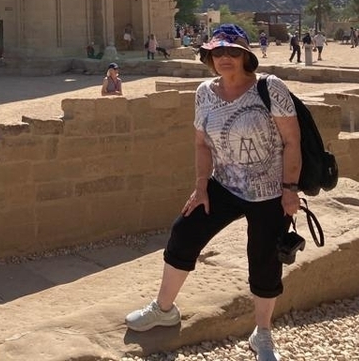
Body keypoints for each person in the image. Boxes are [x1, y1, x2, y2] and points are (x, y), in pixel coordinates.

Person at [124, 23, 300, 361]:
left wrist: (290, 189)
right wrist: (201, 186)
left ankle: (262, 334)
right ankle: (164, 308)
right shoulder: (204, 92)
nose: (225, 58)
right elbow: (201, 144)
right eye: (217, 52)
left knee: (263, 261)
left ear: (246, 56)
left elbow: (292, 141)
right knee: (184, 232)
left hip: (269, 190)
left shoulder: (270, 87)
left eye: (233, 52)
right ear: (208, 56)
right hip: (225, 184)